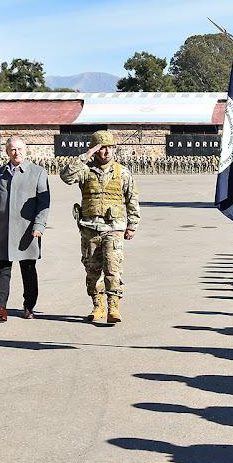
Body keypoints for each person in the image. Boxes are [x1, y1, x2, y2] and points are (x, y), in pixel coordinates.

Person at [60, 130, 139, 324]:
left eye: (110, 148)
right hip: (89, 228)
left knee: (113, 268)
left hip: (114, 228)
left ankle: (113, 306)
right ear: (95, 150)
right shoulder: (85, 170)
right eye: (102, 148)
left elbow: (132, 199)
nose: (106, 152)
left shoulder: (123, 172)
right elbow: (66, 176)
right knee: (92, 270)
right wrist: (85, 156)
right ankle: (98, 305)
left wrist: (132, 225)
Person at [0, 137, 50, 321]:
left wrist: (39, 225)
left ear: (26, 150)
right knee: (3, 269)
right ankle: (0, 308)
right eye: (13, 149)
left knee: (28, 270)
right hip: (4, 230)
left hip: (27, 231)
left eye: (20, 149)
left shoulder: (38, 172)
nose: (17, 153)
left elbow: (43, 202)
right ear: (7, 152)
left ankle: (29, 306)